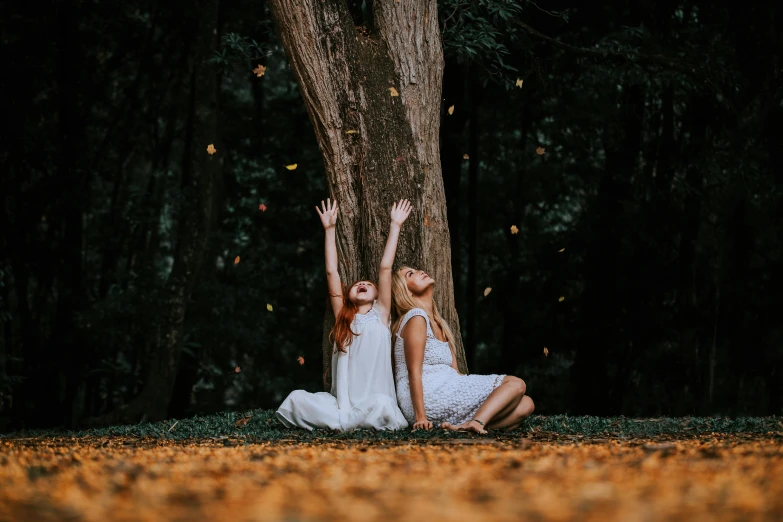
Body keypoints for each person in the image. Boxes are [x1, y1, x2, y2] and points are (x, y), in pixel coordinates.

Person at [276, 198, 411, 431]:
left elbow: (385, 268)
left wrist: (396, 225)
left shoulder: (381, 314)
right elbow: (332, 271)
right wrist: (329, 230)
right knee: (296, 399)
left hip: (374, 402)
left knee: (384, 405)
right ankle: (348, 421)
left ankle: (345, 424)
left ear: (378, 294)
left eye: (367, 284)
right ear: (347, 294)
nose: (361, 284)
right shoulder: (343, 318)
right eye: (357, 284)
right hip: (343, 405)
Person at [391, 267, 534, 433]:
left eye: (416, 269)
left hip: (447, 388)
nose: (419, 271)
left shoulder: (440, 324)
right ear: (405, 292)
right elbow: (413, 372)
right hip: (427, 395)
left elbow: (456, 374)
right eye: (410, 274)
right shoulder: (415, 316)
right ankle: (476, 422)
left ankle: (461, 426)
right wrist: (420, 417)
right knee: (516, 384)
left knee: (526, 404)